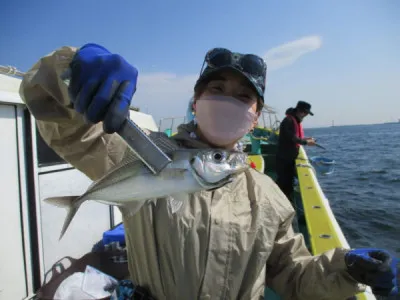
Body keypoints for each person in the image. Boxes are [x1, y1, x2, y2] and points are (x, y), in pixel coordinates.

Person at [19, 44, 398, 299]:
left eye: (243, 97)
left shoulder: (269, 197)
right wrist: (70, 67)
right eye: (216, 88)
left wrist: (346, 269)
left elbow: (292, 274)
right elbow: (63, 120)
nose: (228, 102)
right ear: (196, 102)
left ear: (255, 116)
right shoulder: (147, 153)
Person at [276, 101, 316, 202]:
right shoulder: (288, 121)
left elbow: (295, 137)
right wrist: (306, 143)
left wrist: (306, 139)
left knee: (287, 184)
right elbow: (293, 138)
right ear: (301, 112)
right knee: (284, 185)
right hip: (284, 159)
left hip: (289, 158)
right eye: (306, 113)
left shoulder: (293, 120)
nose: (305, 116)